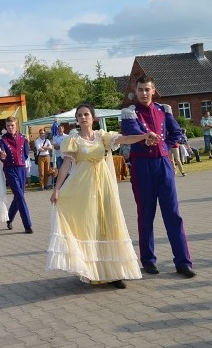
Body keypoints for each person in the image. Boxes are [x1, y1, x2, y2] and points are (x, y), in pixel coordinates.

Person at [48, 104, 149, 289]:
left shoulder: (103, 136)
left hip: (105, 185)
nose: (83, 117)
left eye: (86, 114)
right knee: (91, 225)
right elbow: (65, 166)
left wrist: (143, 136)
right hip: (83, 188)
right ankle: (94, 271)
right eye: (79, 115)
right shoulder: (73, 140)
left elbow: (124, 139)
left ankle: (115, 272)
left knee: (110, 223)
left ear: (93, 117)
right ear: (76, 119)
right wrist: (57, 189)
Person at [121, 75, 196, 278]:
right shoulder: (130, 113)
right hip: (142, 166)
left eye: (148, 89)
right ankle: (148, 260)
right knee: (146, 214)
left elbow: (176, 132)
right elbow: (132, 131)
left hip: (164, 164)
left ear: (153, 90)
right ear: (135, 92)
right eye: (141, 90)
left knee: (173, 214)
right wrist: (146, 138)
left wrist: (165, 145)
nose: (144, 93)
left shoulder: (163, 110)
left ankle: (183, 262)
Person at [0, 116, 33, 233]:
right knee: (20, 196)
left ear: (16, 126)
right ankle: (27, 225)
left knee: (19, 196)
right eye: (8, 126)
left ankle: (9, 218)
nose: (10, 128)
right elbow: (0, 153)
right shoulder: (2, 140)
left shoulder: (23, 138)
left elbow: (26, 153)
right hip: (9, 169)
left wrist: (22, 161)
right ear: (5, 127)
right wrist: (1, 156)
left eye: (12, 125)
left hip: (21, 168)